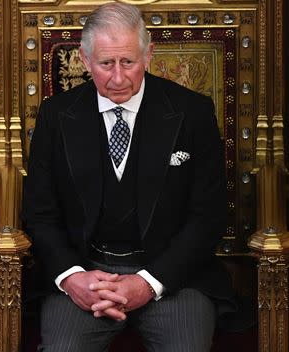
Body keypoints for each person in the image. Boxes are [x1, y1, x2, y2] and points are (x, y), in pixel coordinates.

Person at [22, 3, 236, 351]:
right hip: (86, 273)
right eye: (106, 64)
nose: (118, 78)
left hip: (173, 277)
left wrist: (149, 283)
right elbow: (39, 213)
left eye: (128, 62)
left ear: (148, 55)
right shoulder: (56, 115)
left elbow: (208, 216)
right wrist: (71, 276)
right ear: (85, 59)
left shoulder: (192, 112)